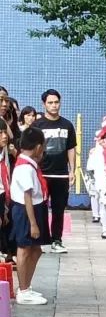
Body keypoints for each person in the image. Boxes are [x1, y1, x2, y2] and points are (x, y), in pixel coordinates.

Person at [32, 89, 77, 254]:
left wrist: (72, 170)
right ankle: (41, 241)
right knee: (40, 208)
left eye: (56, 102)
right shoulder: (38, 125)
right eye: (50, 102)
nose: (54, 105)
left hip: (61, 174)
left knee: (59, 209)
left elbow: (71, 148)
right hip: (42, 174)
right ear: (44, 104)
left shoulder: (67, 125)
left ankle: (57, 240)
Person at [9, 127, 51, 305]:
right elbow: (27, 196)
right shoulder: (25, 167)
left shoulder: (29, 164)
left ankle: (26, 287)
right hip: (26, 211)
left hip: (34, 208)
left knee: (36, 249)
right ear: (38, 147)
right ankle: (23, 290)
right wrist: (33, 223)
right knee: (25, 249)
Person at [0, 121, 15, 264]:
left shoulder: (5, 151)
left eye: (5, 132)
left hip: (3, 192)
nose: (5, 136)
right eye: (0, 133)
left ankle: (6, 253)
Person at [86, 129, 106, 224]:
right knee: (94, 195)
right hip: (94, 175)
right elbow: (90, 165)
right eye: (99, 139)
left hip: (105, 176)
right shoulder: (94, 151)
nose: (101, 141)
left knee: (103, 197)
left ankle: (103, 216)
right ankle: (95, 214)